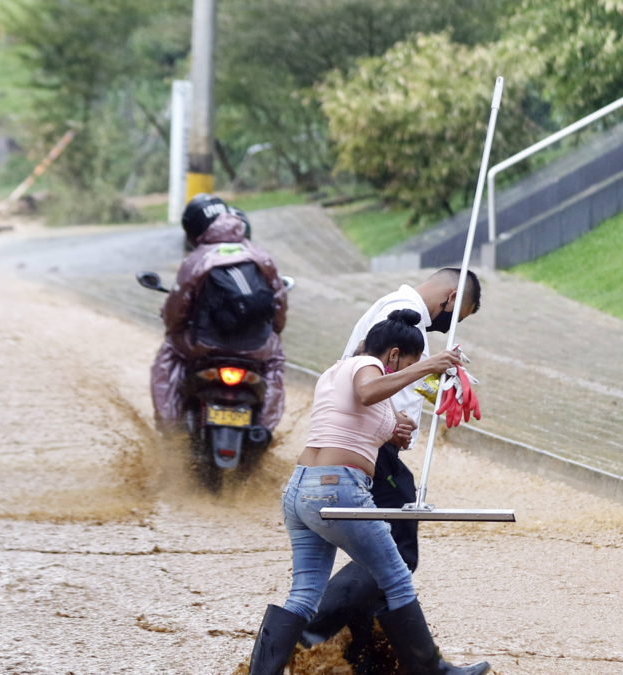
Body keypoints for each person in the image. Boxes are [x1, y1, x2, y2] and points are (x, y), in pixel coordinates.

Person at [246, 309, 468, 675]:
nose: (403, 377)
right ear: (392, 355)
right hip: (337, 489)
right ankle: (435, 672)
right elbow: (367, 392)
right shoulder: (369, 366)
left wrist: (393, 430)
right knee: (397, 577)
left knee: (303, 596)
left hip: (301, 489)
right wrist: (428, 366)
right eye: (405, 367)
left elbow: (352, 422)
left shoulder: (335, 371)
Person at [301, 268, 489, 675]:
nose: (449, 326)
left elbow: (392, 377)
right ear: (451, 298)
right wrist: (393, 421)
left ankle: (363, 656)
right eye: (458, 316)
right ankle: (310, 636)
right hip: (368, 450)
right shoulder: (406, 314)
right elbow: (374, 379)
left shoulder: (394, 308)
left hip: (345, 456)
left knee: (379, 553)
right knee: (396, 551)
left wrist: (441, 387)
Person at [150, 194, 286, 433]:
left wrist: (174, 328)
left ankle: (170, 429)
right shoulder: (259, 255)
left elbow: (177, 310)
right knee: (275, 360)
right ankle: (264, 428)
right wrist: (273, 332)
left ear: (193, 229)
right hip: (257, 346)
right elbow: (279, 301)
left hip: (205, 345)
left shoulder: (197, 259)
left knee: (170, 350)